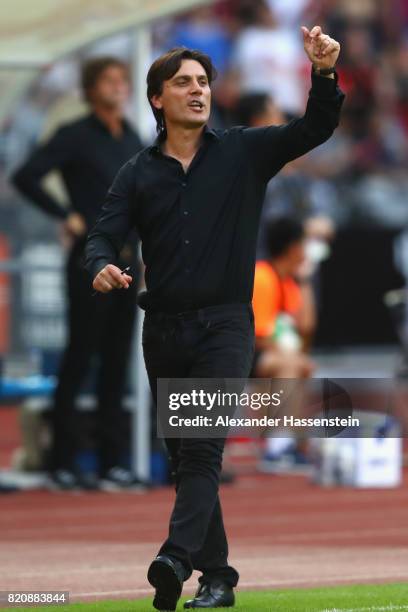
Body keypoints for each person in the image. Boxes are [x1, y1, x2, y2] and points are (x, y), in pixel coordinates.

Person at [85, 25, 344, 611]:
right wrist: (100, 265)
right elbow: (103, 236)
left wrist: (324, 74)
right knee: (184, 456)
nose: (197, 91)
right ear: (158, 98)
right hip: (164, 329)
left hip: (226, 325)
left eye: (203, 82)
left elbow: (315, 128)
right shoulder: (137, 172)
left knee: (202, 450)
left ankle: (176, 556)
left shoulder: (245, 151)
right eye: (183, 83)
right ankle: (219, 578)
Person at [12, 57, 144, 491]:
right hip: (90, 259)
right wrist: (64, 214)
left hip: (128, 260)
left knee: (117, 360)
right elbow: (26, 176)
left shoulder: (132, 138)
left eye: (123, 80)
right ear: (90, 89)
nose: (118, 87)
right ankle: (63, 462)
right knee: (79, 355)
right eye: (109, 80)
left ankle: (111, 463)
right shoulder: (75, 135)